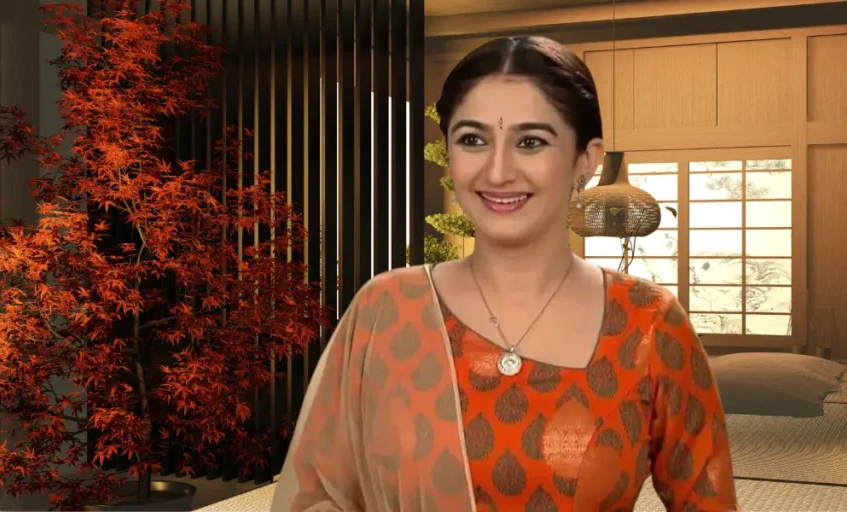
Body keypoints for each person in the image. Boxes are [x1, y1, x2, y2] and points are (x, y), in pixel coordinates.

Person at [271, 35, 739, 512]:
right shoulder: (387, 309)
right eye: (472, 140)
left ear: (586, 159)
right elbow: (314, 495)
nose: (497, 173)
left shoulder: (648, 322)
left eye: (530, 142)